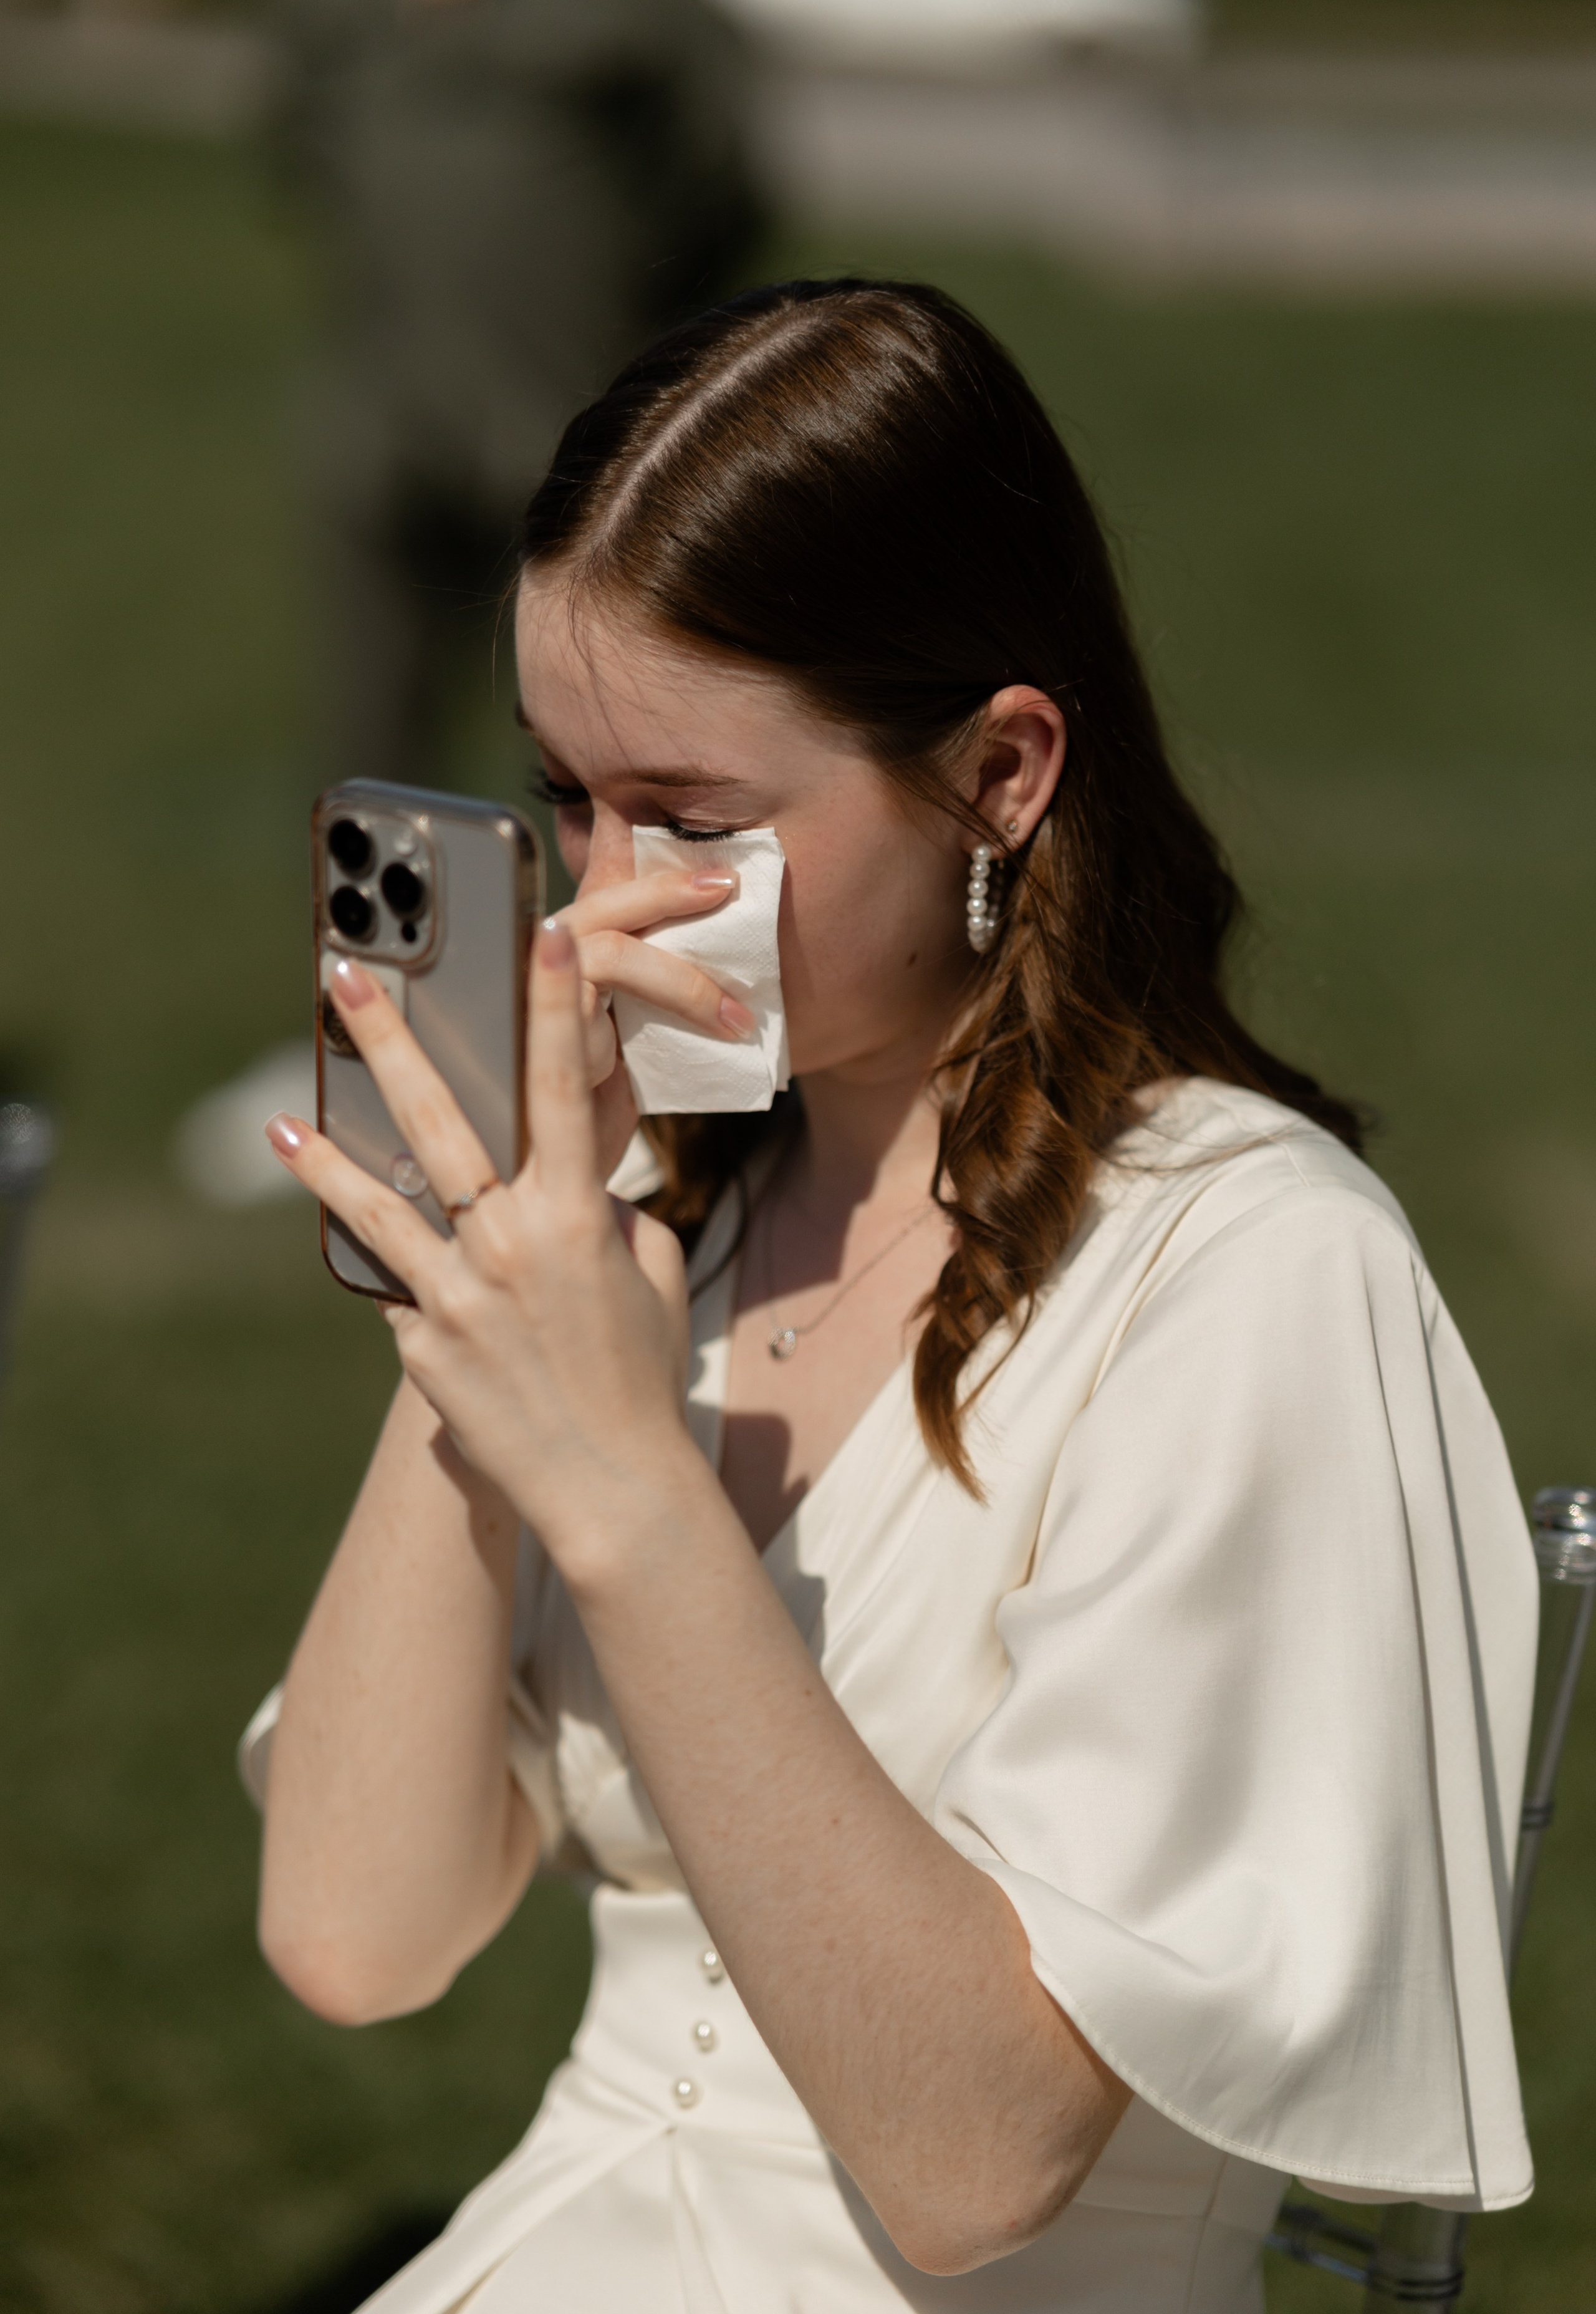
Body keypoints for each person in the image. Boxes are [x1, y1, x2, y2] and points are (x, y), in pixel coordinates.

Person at [244, 279, 1537, 2313]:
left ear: (1002, 773)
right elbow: (353, 1935)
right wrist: (477, 1291)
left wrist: (625, 1485)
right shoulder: (666, 1210)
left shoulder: (1252, 1272)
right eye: (565, 797)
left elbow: (975, 2164)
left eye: (693, 819)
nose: (602, 897)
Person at [271, 0, 761, 784]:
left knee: (590, 740)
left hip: (565, 414)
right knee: (373, 741)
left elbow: (719, 178)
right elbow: (296, 135)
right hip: (382, 406)